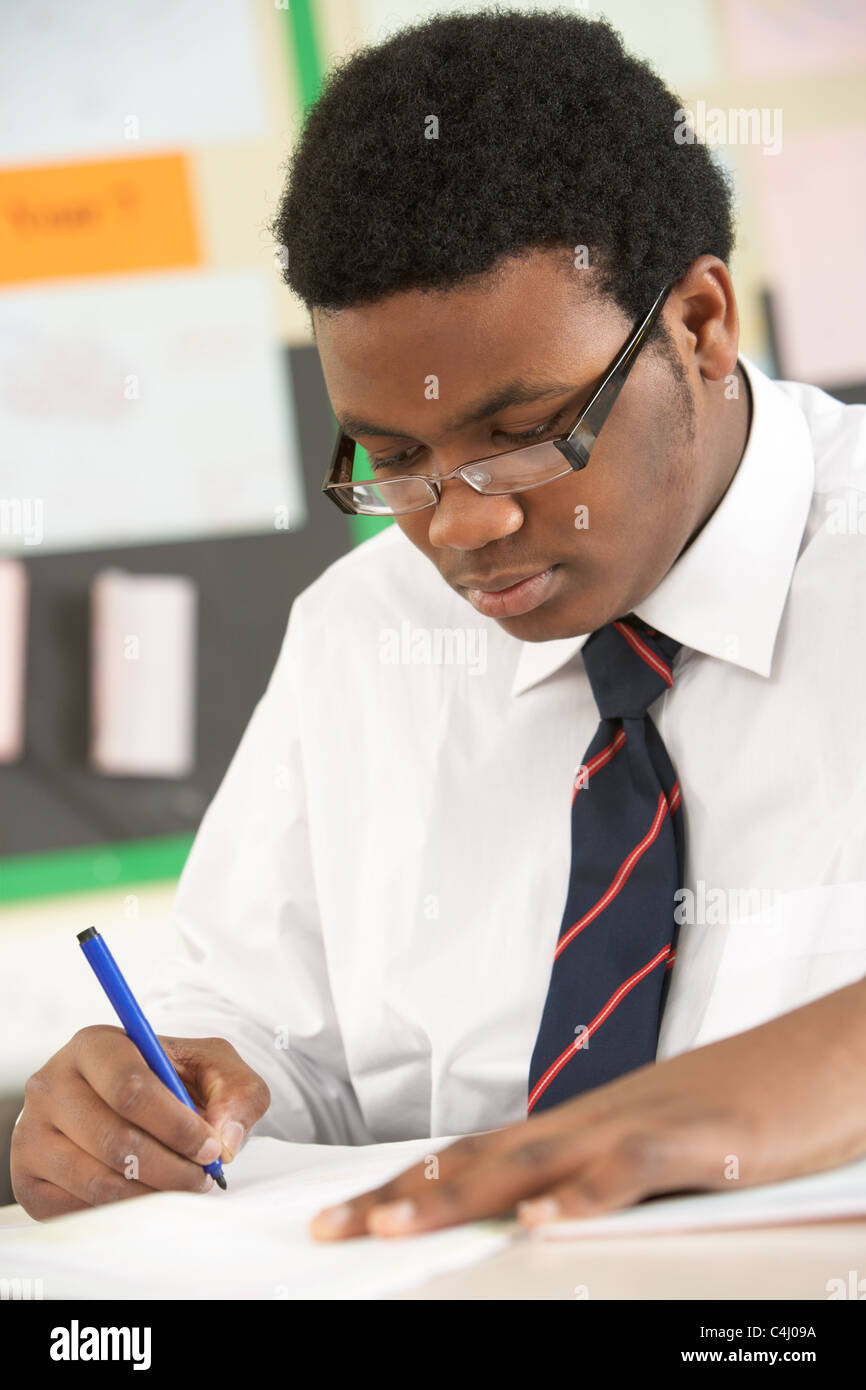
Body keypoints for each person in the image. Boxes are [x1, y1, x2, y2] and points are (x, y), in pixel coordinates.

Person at [12, 10, 866, 1239]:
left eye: (522, 438)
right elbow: (262, 1045)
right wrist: (157, 1100)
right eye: (395, 458)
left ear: (699, 324)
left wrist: (778, 1089)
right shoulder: (360, 635)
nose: (457, 529)